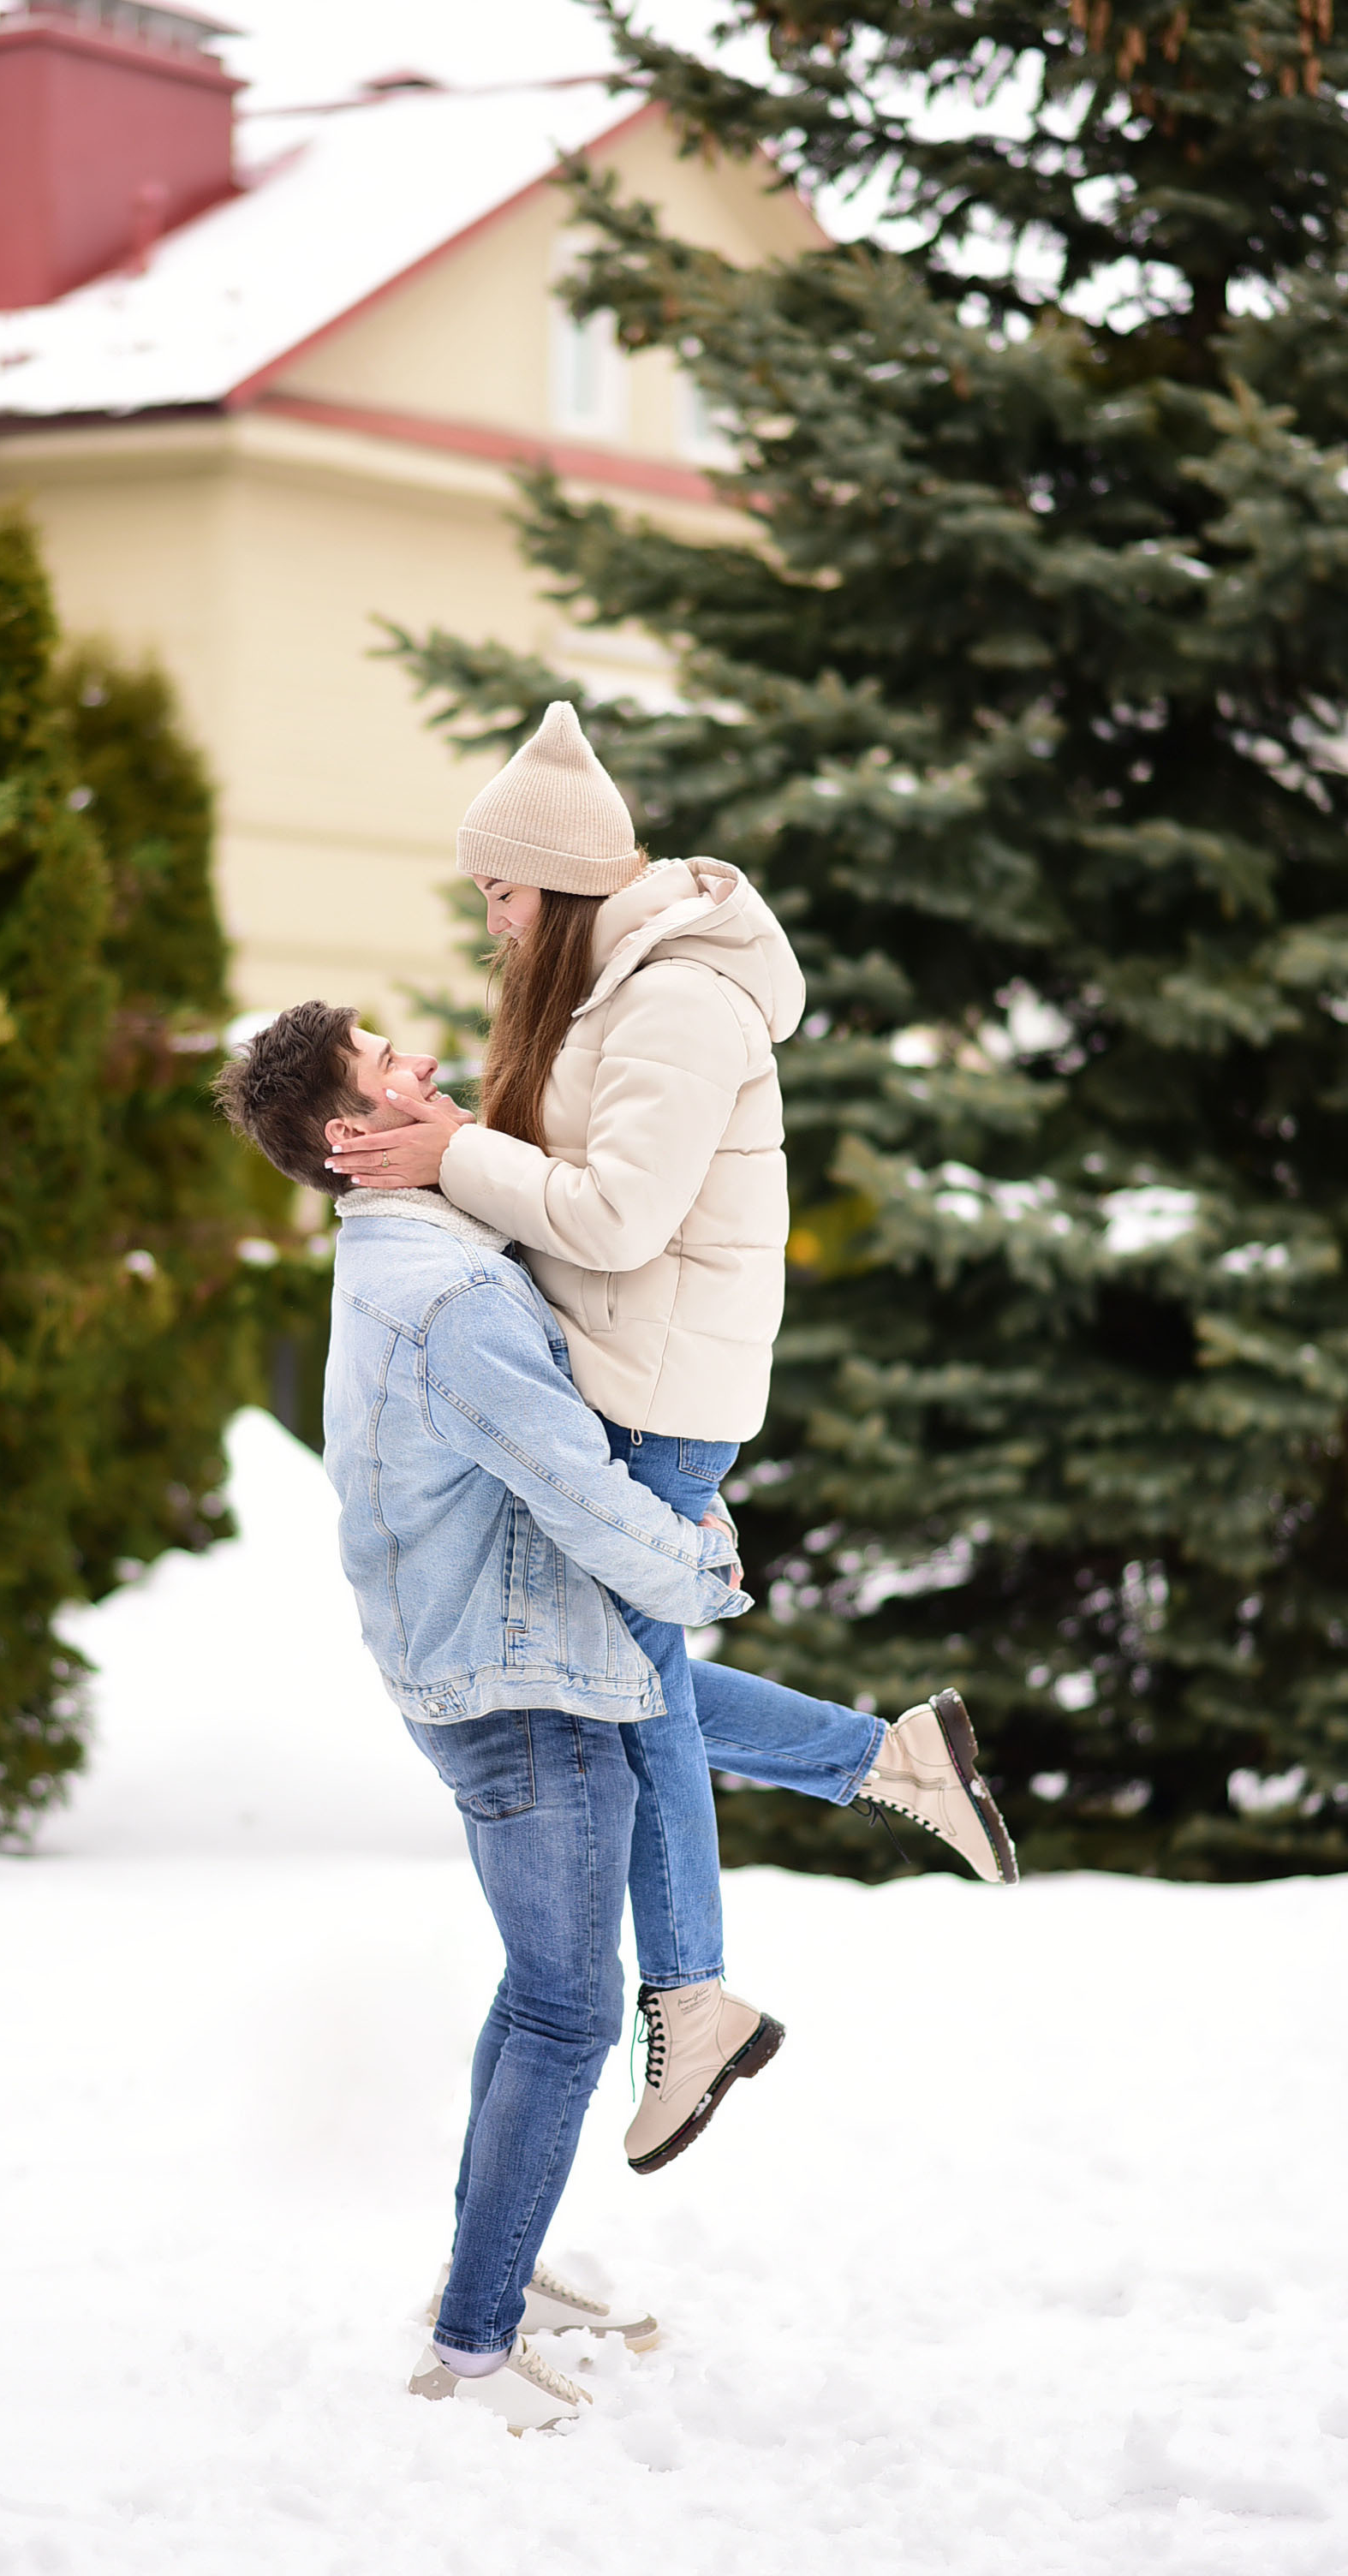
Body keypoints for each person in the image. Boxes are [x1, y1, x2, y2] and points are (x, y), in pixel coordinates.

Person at [321, 704, 1017, 2165]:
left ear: (560, 883)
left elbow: (618, 1216)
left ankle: (698, 1997)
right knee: (640, 1693)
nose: (491, 920)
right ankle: (884, 1768)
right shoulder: (601, 992)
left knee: (635, 1712)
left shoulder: (677, 1002)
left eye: (500, 892)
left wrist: (452, 1151)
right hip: (620, 1390)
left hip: (654, 1406)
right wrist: (442, 1168)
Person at [218, 1002, 781, 2432]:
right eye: (392, 1066)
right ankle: (468, 2346)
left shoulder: (429, 1248)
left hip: (501, 1669)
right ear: (353, 1139)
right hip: (516, 1693)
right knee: (568, 2008)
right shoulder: (447, 1297)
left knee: (544, 1996)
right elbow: (579, 1487)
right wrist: (702, 1569)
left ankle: (498, 2272)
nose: (430, 1071)